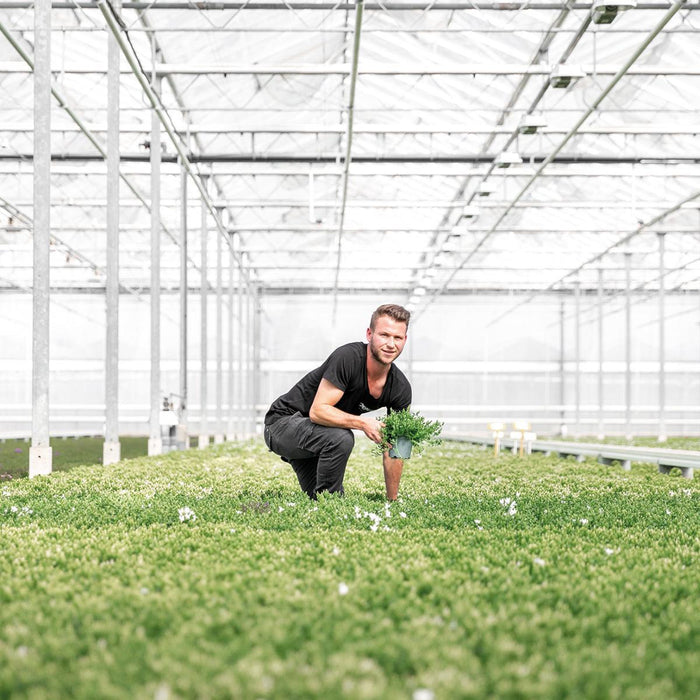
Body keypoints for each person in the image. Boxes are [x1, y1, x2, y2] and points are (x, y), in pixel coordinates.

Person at [264, 303, 412, 501]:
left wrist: (392, 501)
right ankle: (331, 503)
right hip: (283, 424)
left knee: (317, 497)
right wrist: (363, 423)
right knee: (341, 438)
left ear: (405, 340)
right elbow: (318, 411)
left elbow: (397, 449)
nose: (391, 344)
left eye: (398, 338)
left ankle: (322, 493)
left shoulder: (401, 389)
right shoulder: (348, 358)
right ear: (369, 334)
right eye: (384, 335)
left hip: (316, 437)